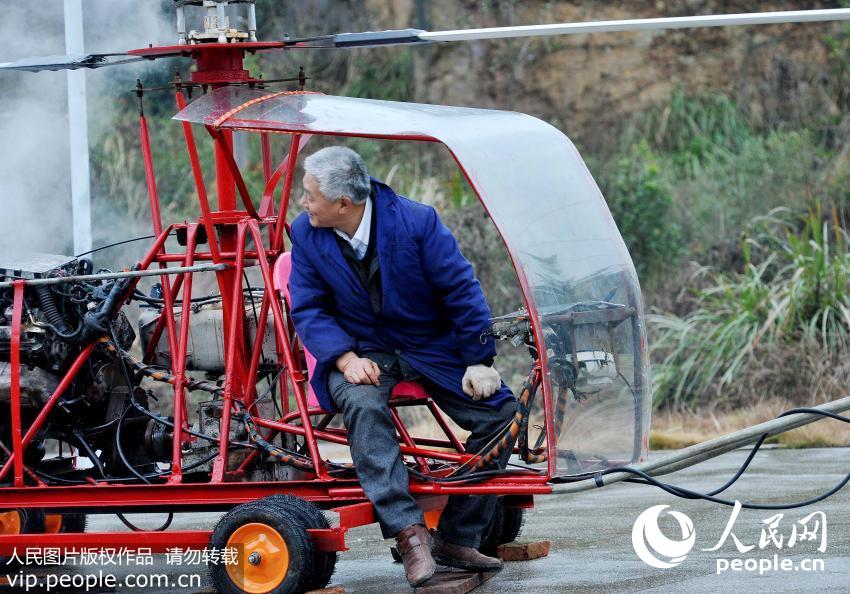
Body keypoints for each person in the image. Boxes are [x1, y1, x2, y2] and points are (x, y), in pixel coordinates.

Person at [289, 146, 518, 587]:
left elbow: (461, 291)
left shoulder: (416, 221)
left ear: (344, 204)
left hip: (429, 347)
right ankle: (409, 534)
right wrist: (344, 357)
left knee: (503, 415)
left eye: (310, 195)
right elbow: (309, 308)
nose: (303, 202)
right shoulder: (306, 232)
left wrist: (478, 359)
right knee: (361, 404)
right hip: (360, 351)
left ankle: (456, 536)